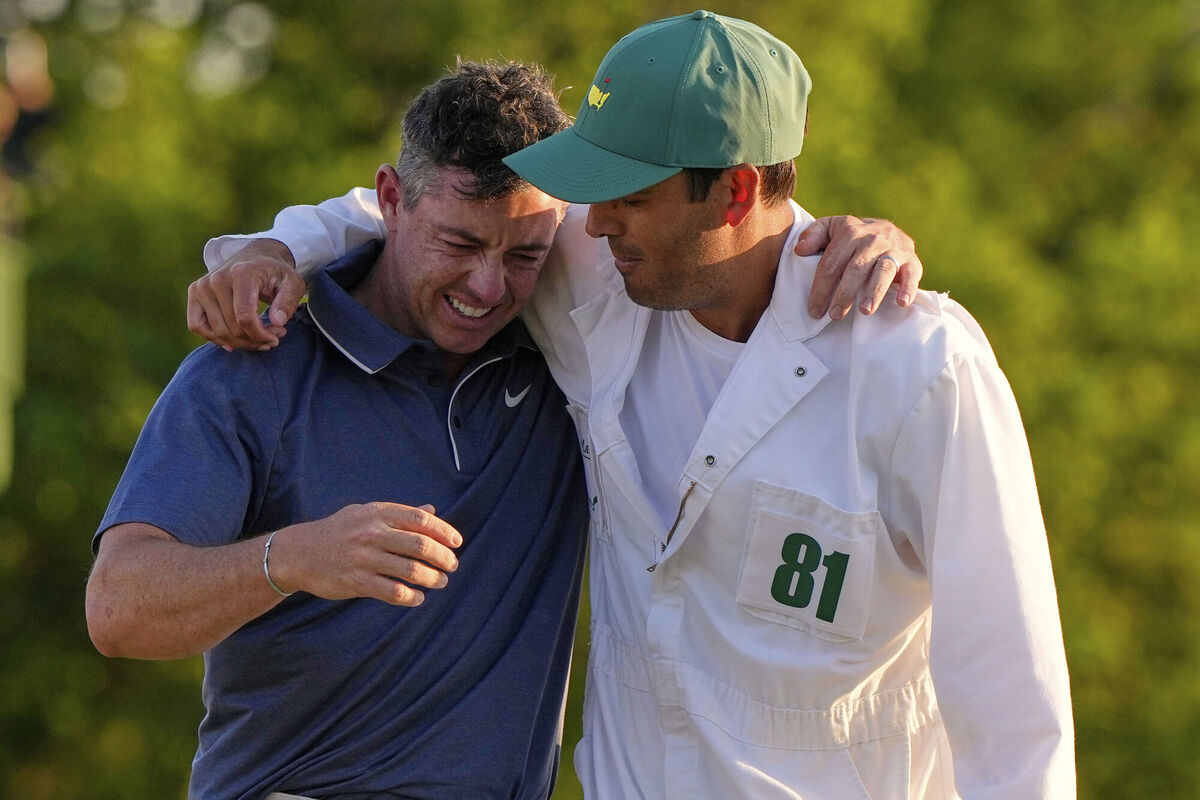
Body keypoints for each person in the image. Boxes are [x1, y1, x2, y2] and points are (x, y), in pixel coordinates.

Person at [195, 11, 1076, 799]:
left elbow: (1011, 694)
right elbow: (414, 215)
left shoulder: (922, 369)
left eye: (632, 195)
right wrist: (270, 248)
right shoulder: (597, 279)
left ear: (735, 191)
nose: (597, 221)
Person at [86, 61, 591, 800]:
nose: (489, 288)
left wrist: (824, 241)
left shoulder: (571, 358)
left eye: (523, 256)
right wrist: (290, 558)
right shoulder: (250, 368)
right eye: (457, 245)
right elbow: (117, 608)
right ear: (390, 199)